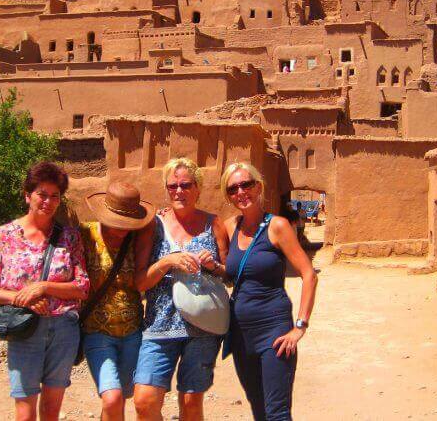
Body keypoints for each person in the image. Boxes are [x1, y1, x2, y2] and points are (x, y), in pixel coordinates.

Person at [0, 161, 90, 421]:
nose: (48, 201)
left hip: (63, 329)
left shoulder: (69, 237)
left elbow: (82, 287)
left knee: (51, 410)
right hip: (24, 328)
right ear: (28, 195)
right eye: (42, 194)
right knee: (25, 411)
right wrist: (23, 300)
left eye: (55, 196)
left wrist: (44, 287)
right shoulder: (5, 235)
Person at [133, 157, 230, 421]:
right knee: (145, 401)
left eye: (186, 185)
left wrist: (213, 265)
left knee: (190, 402)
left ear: (198, 188)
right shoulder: (153, 227)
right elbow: (140, 281)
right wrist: (167, 261)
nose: (179, 191)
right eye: (173, 185)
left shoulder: (215, 224)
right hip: (159, 326)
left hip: (203, 327)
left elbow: (228, 274)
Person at [220, 162, 318, 421]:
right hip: (240, 334)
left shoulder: (278, 227)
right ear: (228, 196)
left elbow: (309, 274)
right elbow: (224, 268)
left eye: (246, 184)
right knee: (258, 409)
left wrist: (300, 326)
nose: (241, 192)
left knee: (277, 413)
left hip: (274, 331)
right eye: (233, 188)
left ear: (259, 186)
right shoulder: (229, 227)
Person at [80, 182, 156, 421]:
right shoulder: (85, 235)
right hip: (96, 331)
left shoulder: (138, 239)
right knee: (112, 397)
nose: (123, 229)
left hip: (133, 332)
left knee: (122, 395)